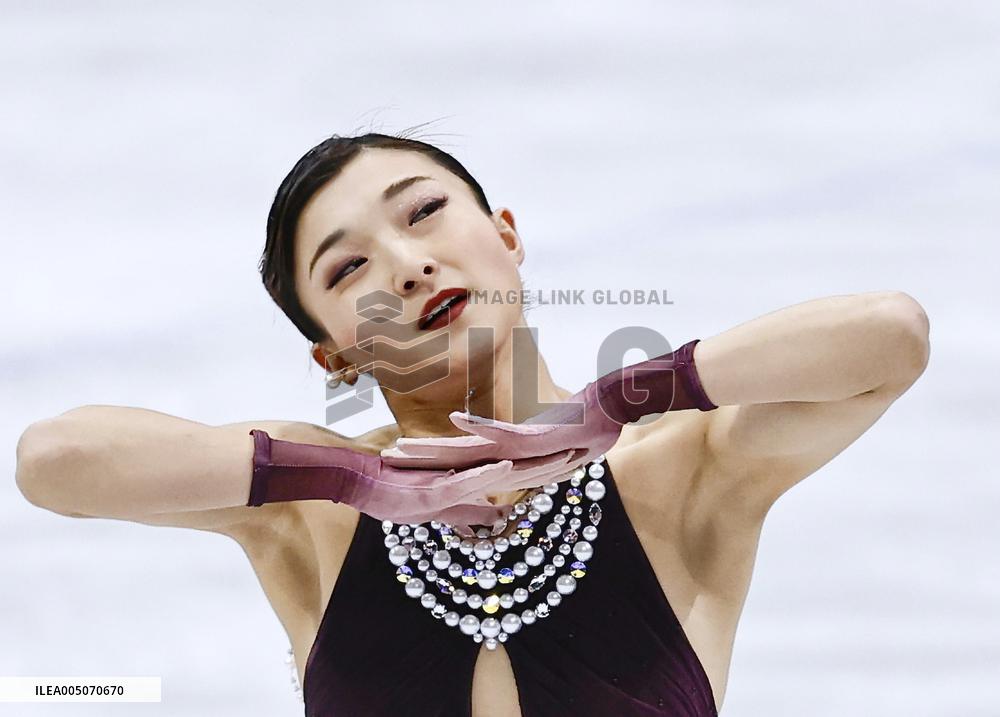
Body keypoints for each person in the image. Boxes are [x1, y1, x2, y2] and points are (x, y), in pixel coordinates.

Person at [14, 132, 931, 716]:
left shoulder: (674, 470)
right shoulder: (314, 508)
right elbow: (55, 462)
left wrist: (612, 404)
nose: (409, 265)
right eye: (346, 271)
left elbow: (886, 337)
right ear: (335, 355)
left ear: (507, 233)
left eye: (424, 212)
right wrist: (351, 478)